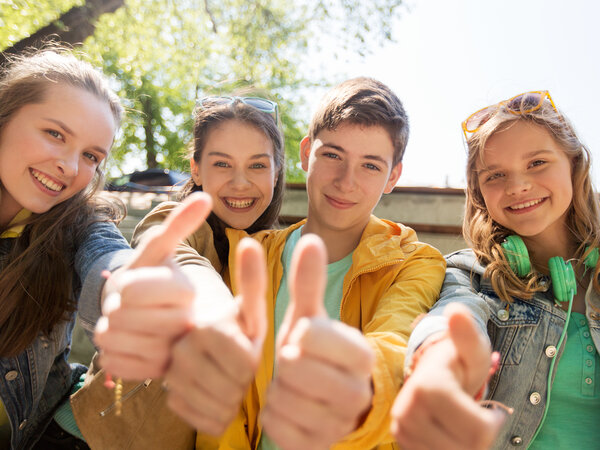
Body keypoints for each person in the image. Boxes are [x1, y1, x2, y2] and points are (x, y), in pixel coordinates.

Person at [164, 77, 447, 449]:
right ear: (305, 153)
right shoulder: (251, 254)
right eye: (332, 155)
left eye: (370, 166)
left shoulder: (415, 263)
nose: (346, 182)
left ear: (393, 175)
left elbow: (396, 342)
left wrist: (355, 382)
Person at [73, 95, 285, 449]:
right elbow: (174, 256)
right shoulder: (174, 219)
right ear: (196, 169)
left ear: (277, 172)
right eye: (222, 164)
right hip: (92, 438)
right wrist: (217, 313)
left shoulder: (276, 252)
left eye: (258, 166)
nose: (240, 182)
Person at [391, 91, 600, 449]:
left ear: (574, 164)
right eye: (495, 175)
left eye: (537, 163)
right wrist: (437, 367)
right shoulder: (470, 274)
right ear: (478, 193)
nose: (517, 186)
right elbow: (451, 319)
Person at [0, 48, 134, 449]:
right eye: (55, 134)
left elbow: (110, 259)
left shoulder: (79, 222)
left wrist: (135, 286)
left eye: (91, 156)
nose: (72, 168)